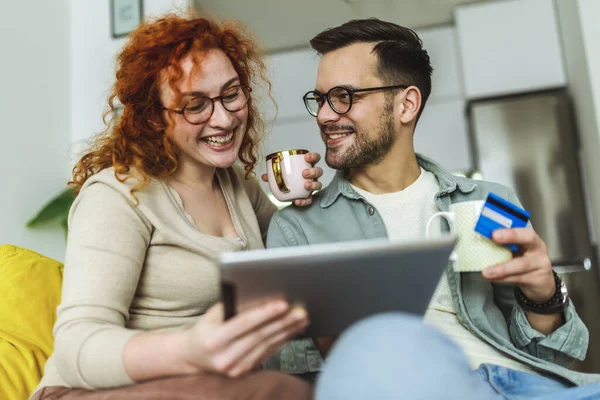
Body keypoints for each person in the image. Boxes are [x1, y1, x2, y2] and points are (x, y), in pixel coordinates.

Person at [266, 18, 600, 399]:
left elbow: (550, 360)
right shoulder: (300, 228)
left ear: (406, 104)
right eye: (321, 99)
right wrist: (338, 337)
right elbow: (289, 374)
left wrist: (543, 294)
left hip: (517, 384)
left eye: (343, 96)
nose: (325, 115)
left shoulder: (489, 200)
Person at [31, 13, 325, 400]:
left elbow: (298, 267)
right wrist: (190, 351)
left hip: (208, 387)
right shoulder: (118, 196)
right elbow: (75, 348)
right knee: (280, 390)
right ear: (154, 118)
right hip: (84, 392)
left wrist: (302, 205)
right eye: (195, 105)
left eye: (231, 94)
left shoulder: (240, 188)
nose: (223, 118)